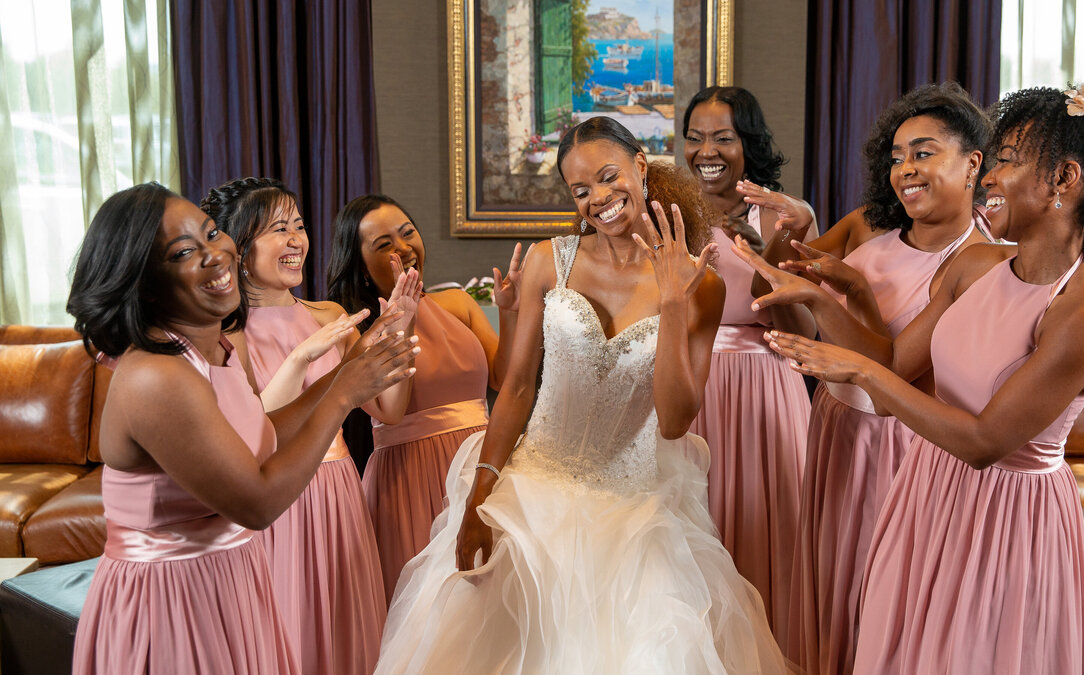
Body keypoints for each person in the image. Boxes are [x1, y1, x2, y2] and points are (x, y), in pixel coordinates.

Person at [761, 79, 1084, 674]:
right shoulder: (975, 265)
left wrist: (857, 370)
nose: (989, 177)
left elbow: (982, 441)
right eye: (992, 160)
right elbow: (895, 365)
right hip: (923, 488)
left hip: (1004, 517)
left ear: (1064, 180)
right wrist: (820, 304)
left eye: (1008, 161)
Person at [372, 116, 788, 673]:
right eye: (581, 190)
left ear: (642, 166)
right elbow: (516, 389)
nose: (599, 198)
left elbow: (673, 421)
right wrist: (478, 498)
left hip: (635, 508)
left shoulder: (702, 285)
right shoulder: (549, 260)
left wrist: (671, 304)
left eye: (610, 177)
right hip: (533, 494)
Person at [68, 183, 417, 674]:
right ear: (144, 282)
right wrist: (341, 393)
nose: (215, 254)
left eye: (211, 234)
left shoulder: (211, 353)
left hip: (229, 577)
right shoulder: (155, 375)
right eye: (186, 251)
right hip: (175, 600)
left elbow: (263, 436)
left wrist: (350, 375)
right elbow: (257, 502)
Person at [733, 81, 994, 672]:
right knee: (829, 582)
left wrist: (838, 297)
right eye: (897, 157)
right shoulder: (865, 224)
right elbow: (765, 287)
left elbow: (895, 365)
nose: (905, 169)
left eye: (924, 153)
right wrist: (791, 230)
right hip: (834, 424)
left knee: (882, 594)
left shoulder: (977, 263)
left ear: (972, 162)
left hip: (899, 442)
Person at [199, 178, 415, 674]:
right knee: (286, 637)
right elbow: (254, 433)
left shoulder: (329, 316)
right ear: (238, 246)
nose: (296, 239)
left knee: (347, 636)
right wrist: (300, 359)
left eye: (298, 225)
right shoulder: (225, 335)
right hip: (279, 498)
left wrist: (400, 329)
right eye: (279, 229)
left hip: (339, 493)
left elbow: (389, 409)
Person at [327, 194, 520, 597]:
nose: (403, 248)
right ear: (360, 267)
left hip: (478, 467)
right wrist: (403, 321)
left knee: (487, 605)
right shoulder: (352, 331)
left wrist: (508, 311)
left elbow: (502, 377)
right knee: (424, 610)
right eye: (383, 245)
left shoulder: (457, 302)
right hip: (408, 479)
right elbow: (391, 413)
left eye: (407, 233)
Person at [680, 86, 816, 638]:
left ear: (747, 144)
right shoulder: (667, 213)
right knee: (692, 531)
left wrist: (763, 262)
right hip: (688, 386)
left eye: (722, 137)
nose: (705, 151)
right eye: (694, 137)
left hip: (764, 389)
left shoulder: (779, 217)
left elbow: (807, 331)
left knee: (768, 530)